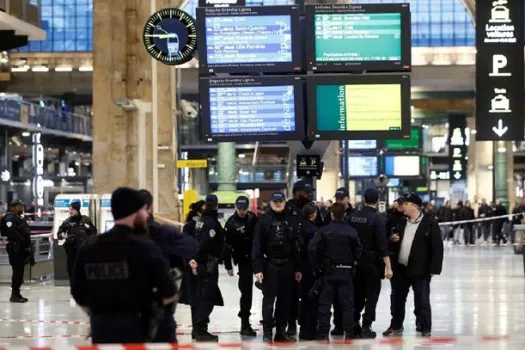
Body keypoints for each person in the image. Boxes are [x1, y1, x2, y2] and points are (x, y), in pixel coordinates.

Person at [71, 187, 177, 344]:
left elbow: (77, 291)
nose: (146, 214)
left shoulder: (89, 247)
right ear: (135, 212)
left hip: (102, 331)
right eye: (143, 210)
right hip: (137, 331)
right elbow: (169, 291)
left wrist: (99, 315)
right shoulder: (145, 248)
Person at [139, 189, 199, 343]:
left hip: (131, 317)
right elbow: (191, 247)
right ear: (151, 207)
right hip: (159, 312)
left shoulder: (119, 238)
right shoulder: (162, 233)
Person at [383, 193, 444, 338]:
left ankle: (424, 327)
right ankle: (396, 325)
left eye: (407, 204)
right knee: (397, 299)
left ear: (415, 206)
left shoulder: (430, 224)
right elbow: (392, 240)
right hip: (401, 268)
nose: (404, 206)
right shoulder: (402, 222)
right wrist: (392, 239)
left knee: (422, 300)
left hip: (420, 269)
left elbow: (437, 248)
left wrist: (433, 270)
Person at [308, 203, 361, 342]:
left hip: (328, 272)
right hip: (346, 271)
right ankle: (349, 333)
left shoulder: (324, 230)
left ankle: (323, 333)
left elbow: (312, 248)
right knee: (347, 304)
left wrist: (316, 266)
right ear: (344, 214)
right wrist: (354, 263)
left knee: (325, 304)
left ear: (331, 214)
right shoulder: (352, 231)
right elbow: (358, 251)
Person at [253, 192, 302, 343]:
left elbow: (296, 245)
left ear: (285, 202)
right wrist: (258, 269)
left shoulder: (291, 219)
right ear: (271, 202)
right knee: (269, 299)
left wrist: (298, 268)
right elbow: (257, 246)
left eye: (281, 201)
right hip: (270, 265)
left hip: (288, 265)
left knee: (285, 300)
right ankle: (267, 331)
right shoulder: (264, 220)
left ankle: (280, 331)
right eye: (276, 201)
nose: (279, 203)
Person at [349, 189, 393, 339]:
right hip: (372, 264)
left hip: (355, 262)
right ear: (377, 200)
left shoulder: (353, 217)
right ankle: (366, 327)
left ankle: (353, 324)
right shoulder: (377, 219)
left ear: (363, 199)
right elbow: (382, 246)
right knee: (372, 296)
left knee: (357, 294)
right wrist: (388, 266)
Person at [285, 180, 321, 336]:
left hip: (309, 260)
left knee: (310, 293)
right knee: (291, 293)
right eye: (306, 192)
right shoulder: (288, 207)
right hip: (291, 258)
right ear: (297, 192)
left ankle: (309, 323)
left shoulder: (313, 208)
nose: (309, 194)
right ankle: (291, 323)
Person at [188, 194, 225, 342]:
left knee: (202, 296)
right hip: (208, 264)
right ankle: (200, 330)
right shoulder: (212, 223)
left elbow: (195, 239)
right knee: (208, 298)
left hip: (200, 263)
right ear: (216, 205)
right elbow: (204, 243)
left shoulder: (200, 221)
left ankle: (197, 330)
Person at [223, 195, 258, 337]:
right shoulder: (231, 224)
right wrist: (228, 265)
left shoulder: (252, 218)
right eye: (239, 209)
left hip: (256, 258)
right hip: (243, 260)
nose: (242, 211)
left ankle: (269, 319)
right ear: (236, 207)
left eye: (244, 208)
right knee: (246, 291)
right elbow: (226, 246)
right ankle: (244, 322)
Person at [330, 187, 355, 335]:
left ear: (348, 198)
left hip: (348, 264)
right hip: (332, 264)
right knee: (334, 299)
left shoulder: (355, 216)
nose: (338, 201)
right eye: (337, 198)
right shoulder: (330, 214)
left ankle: (350, 327)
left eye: (341, 198)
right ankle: (338, 325)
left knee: (348, 299)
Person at [57, 200, 97, 282]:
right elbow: (59, 234)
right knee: (72, 274)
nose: (70, 211)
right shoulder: (67, 222)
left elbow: (94, 232)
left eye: (72, 209)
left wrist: (88, 227)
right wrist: (62, 235)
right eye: (69, 209)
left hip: (84, 253)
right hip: (72, 253)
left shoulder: (86, 219)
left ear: (77, 209)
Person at [1, 200, 32, 302]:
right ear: (12, 208)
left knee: (20, 272)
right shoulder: (10, 218)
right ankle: (14, 295)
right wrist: (23, 243)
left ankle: (17, 293)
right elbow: (13, 233)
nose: (21, 208)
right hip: (15, 248)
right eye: (19, 206)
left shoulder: (19, 218)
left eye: (21, 206)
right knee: (17, 272)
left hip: (20, 248)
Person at [298, 202, 321, 340]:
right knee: (313, 299)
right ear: (314, 214)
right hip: (311, 268)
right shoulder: (314, 230)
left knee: (303, 299)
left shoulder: (299, 227)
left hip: (300, 268)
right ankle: (311, 330)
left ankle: (302, 328)